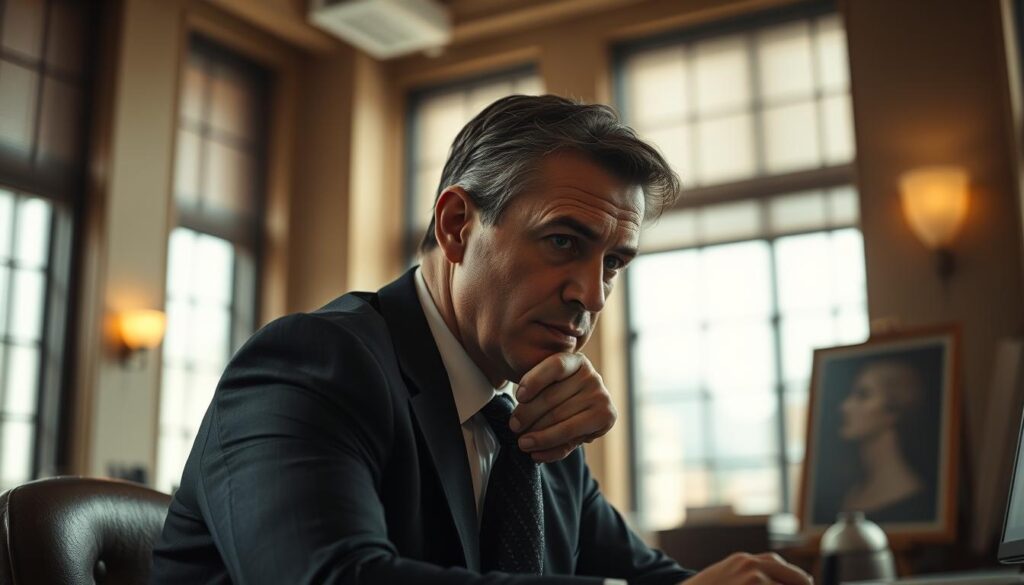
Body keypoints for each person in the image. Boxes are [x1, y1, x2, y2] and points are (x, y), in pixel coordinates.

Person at [151, 95, 811, 585]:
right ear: (458, 225)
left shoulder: (536, 421)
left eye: (612, 262)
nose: (592, 293)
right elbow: (333, 579)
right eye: (563, 241)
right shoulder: (314, 363)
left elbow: (646, 576)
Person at [837, 359, 935, 522]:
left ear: (894, 411)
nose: (845, 406)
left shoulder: (908, 493)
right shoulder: (852, 492)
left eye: (863, 395)